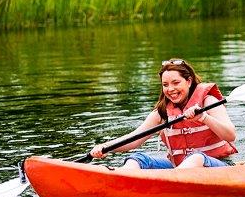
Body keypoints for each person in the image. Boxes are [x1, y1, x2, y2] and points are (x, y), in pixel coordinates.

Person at [90, 59, 237, 169]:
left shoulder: (208, 101)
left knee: (196, 158)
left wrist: (204, 117)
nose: (170, 89)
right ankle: (121, 182)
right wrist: (105, 147)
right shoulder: (162, 112)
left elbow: (231, 135)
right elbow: (135, 139)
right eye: (165, 85)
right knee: (138, 159)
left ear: (189, 81)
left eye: (175, 83)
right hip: (178, 168)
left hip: (218, 166)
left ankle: (173, 183)